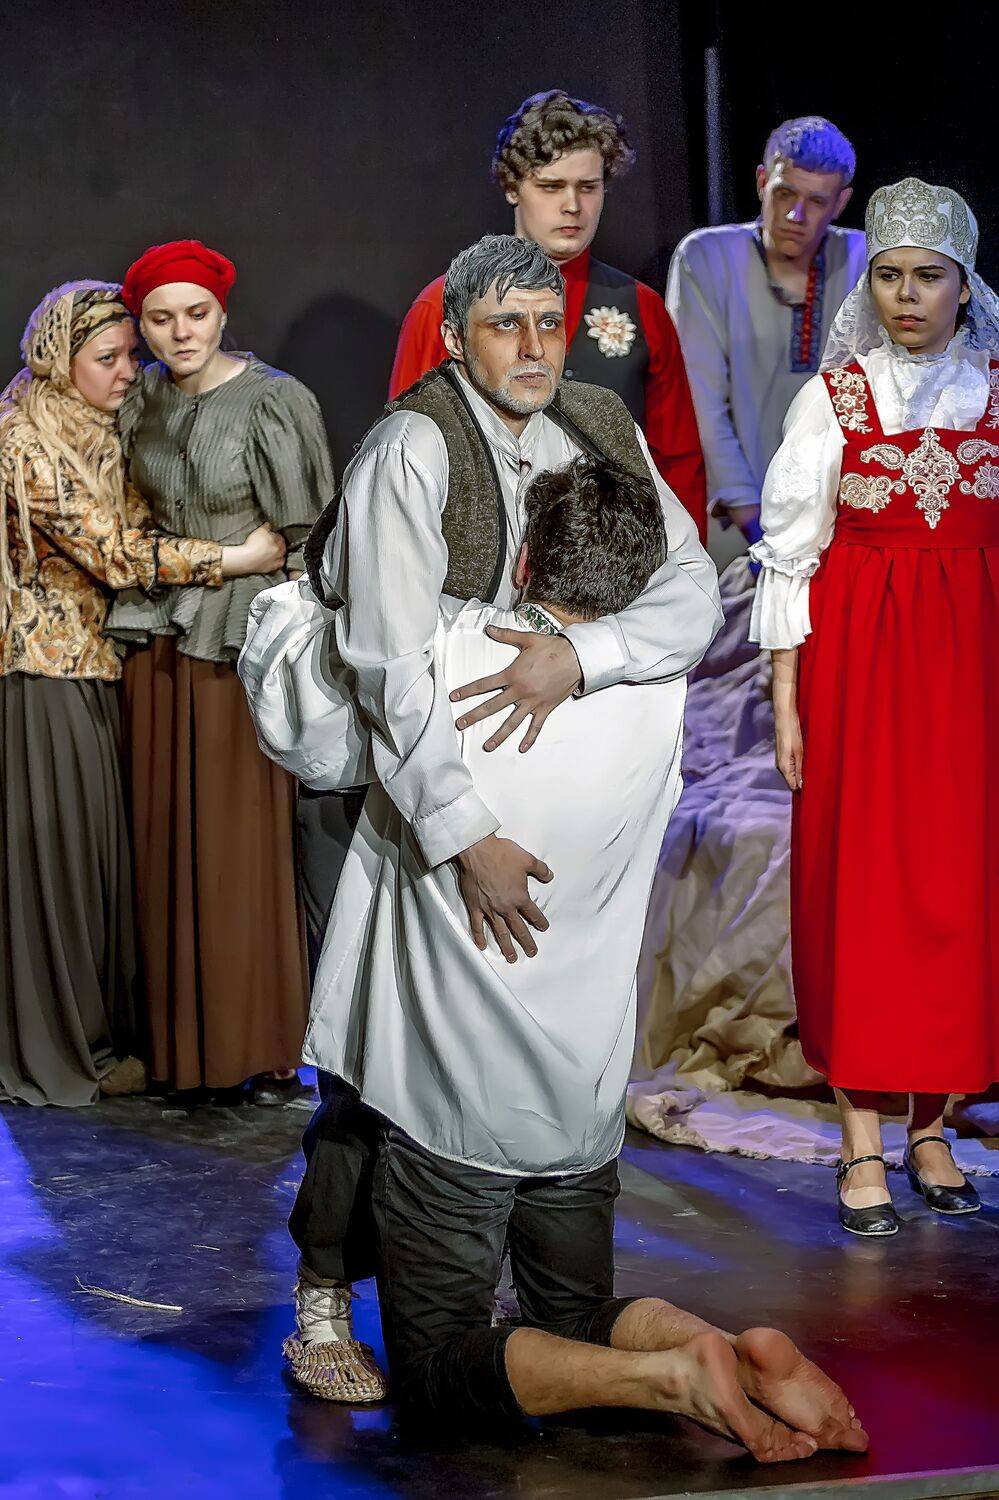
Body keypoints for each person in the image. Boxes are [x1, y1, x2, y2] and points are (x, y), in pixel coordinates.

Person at [276, 454, 865, 1461]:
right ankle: (721, 1348)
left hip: (454, 1111)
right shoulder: (659, 686)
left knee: (437, 1369)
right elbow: (688, 602)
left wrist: (330, 570)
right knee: (572, 1313)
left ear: (522, 557)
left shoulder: (442, 650)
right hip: (583, 1105)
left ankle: (673, 1376)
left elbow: (305, 713)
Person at [243, 232, 720, 1399]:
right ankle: (323, 1293)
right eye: (507, 325)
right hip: (381, 765)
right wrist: (462, 833)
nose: (534, 346)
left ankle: (482, 1281)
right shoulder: (413, 449)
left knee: (473, 1038)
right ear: (456, 336)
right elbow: (391, 665)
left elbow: (694, 588)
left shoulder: (596, 428)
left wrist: (581, 655)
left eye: (549, 323)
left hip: (496, 754)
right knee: (380, 1044)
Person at [750, 178, 999, 1233]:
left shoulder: (995, 391)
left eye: (927, 277)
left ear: (962, 285)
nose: (906, 295)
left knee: (955, 895)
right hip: (859, 672)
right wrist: (787, 705)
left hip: (970, 679)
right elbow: (791, 556)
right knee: (863, 893)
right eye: (889, 275)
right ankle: (861, 1136)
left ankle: (930, 1129)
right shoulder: (834, 398)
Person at [0, 279, 283, 1107]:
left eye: (131, 354)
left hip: (98, 666)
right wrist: (235, 558)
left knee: (94, 870)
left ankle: (102, 1039)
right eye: (108, 357)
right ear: (60, 360)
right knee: (58, 870)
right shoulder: (24, 440)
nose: (129, 370)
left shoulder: (98, 427)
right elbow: (116, 553)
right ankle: (58, 1052)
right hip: (41, 675)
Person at [107, 240, 334, 1103]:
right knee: (163, 841)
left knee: (238, 846)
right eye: (161, 319)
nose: (180, 333)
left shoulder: (274, 400)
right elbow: (126, 519)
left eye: (195, 314)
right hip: (158, 636)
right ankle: (175, 1046)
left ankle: (255, 1043)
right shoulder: (143, 399)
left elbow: (307, 542)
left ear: (222, 313)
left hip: (240, 645)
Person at [389, 89, 707, 537]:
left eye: (588, 187)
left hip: (617, 557)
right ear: (512, 187)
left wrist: (684, 565)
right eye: (552, 186)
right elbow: (404, 452)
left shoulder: (643, 307)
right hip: (481, 550)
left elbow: (678, 461)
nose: (573, 205)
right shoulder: (444, 303)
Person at [668, 116, 865, 547]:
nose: (796, 215)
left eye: (817, 201)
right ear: (762, 181)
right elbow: (700, 399)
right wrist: (751, 517)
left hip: (842, 517)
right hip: (734, 519)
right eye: (785, 193)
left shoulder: (863, 260)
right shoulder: (707, 256)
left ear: (841, 202)